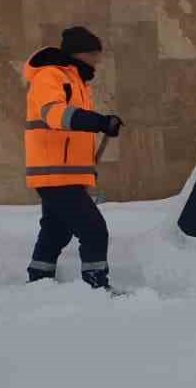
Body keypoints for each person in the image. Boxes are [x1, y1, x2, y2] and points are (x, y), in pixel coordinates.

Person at [23, 27, 125, 290]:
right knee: (93, 230)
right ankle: (96, 287)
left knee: (56, 230)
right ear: (79, 53)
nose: (97, 61)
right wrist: (99, 122)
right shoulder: (50, 76)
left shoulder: (77, 81)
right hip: (53, 172)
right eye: (94, 54)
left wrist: (100, 125)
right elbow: (54, 114)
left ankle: (39, 282)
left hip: (66, 172)